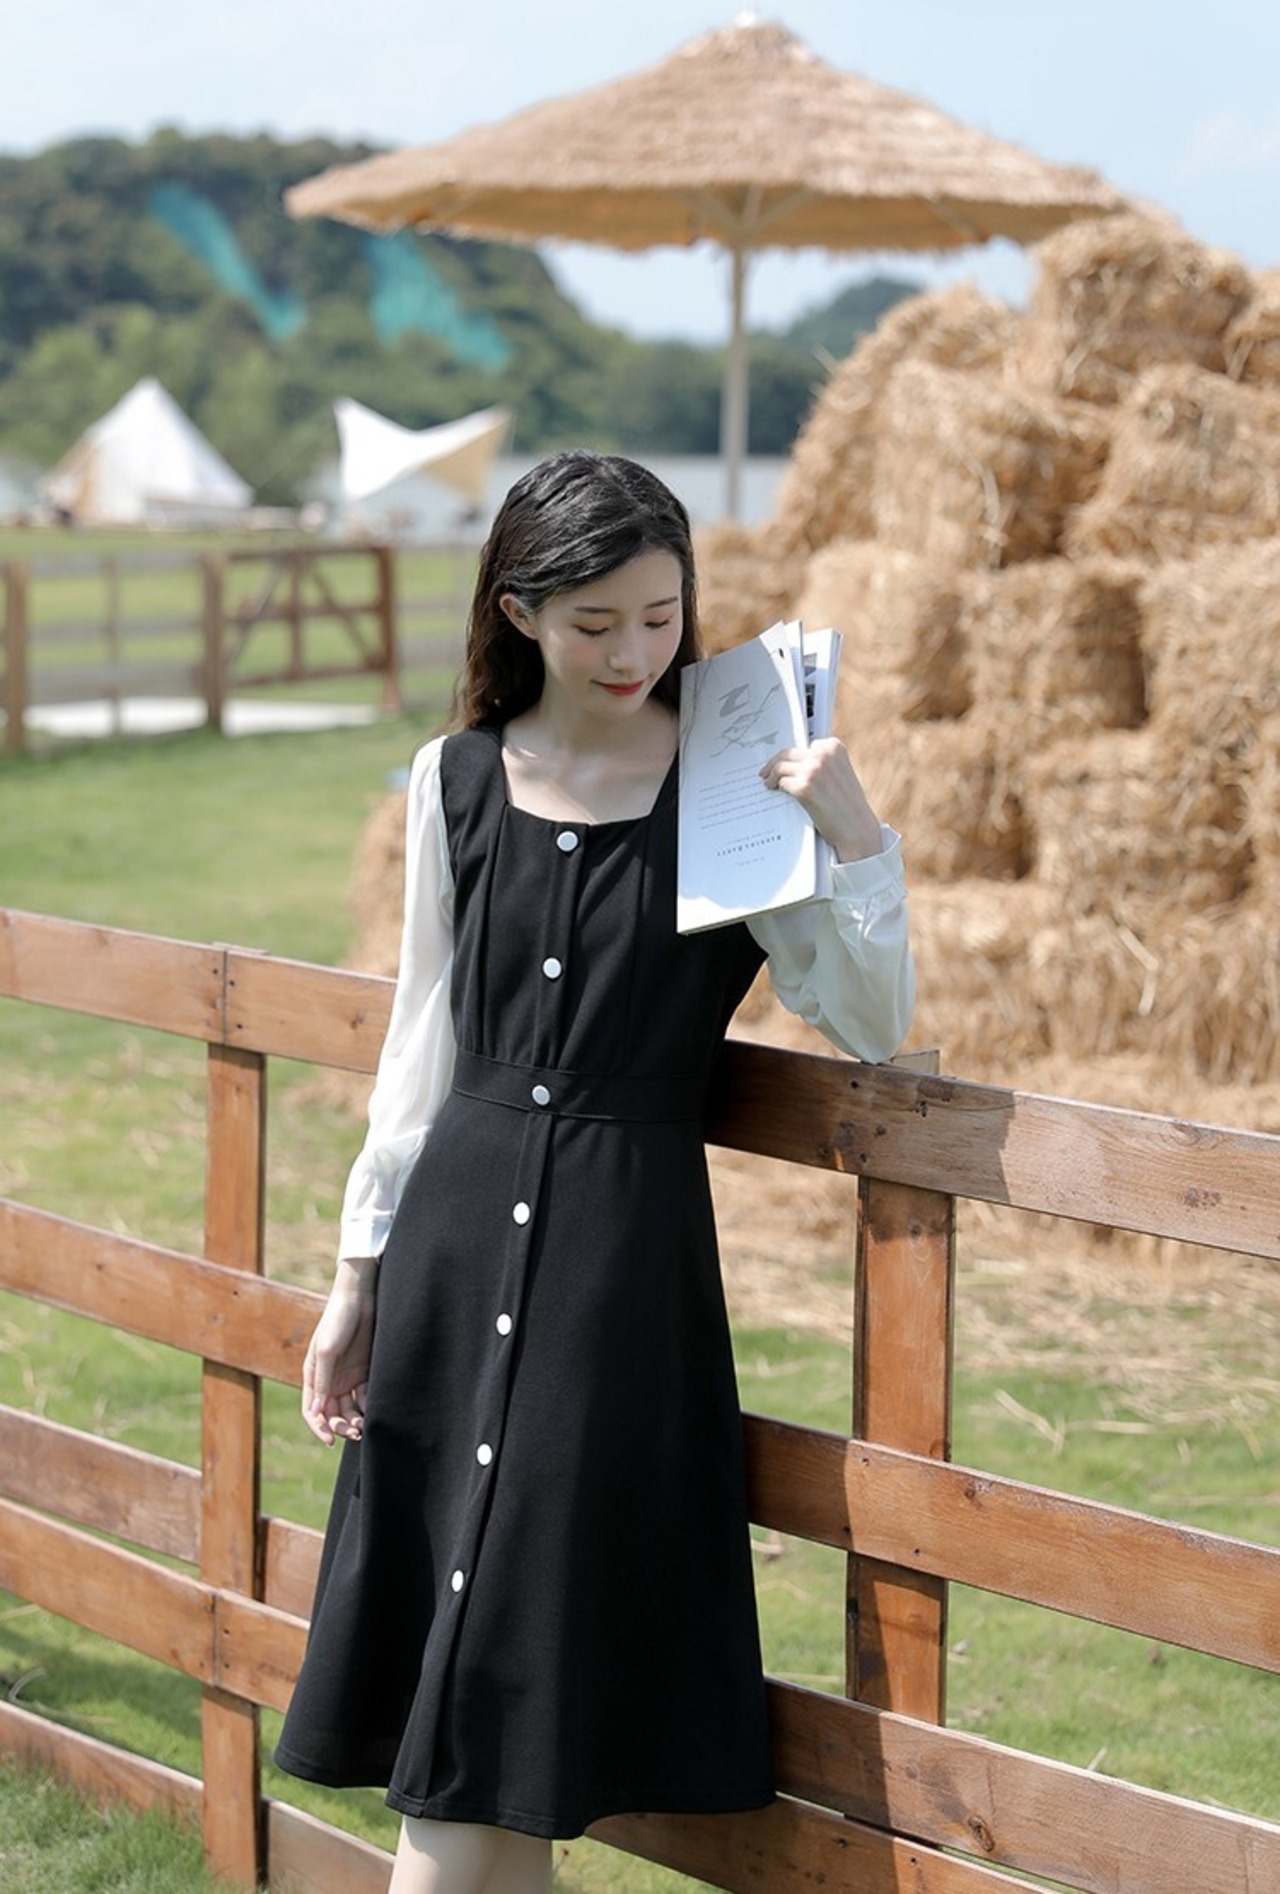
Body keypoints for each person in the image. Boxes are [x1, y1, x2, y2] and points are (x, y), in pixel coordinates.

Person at [274, 452, 914, 1893]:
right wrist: (356, 1273)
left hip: (617, 1286)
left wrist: (856, 837)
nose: (634, 653)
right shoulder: (454, 776)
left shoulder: (739, 782)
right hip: (449, 1263)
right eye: (595, 624)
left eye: (660, 617)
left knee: (506, 1710)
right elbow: (420, 1043)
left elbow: (870, 1021)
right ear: (520, 613)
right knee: (484, 1750)